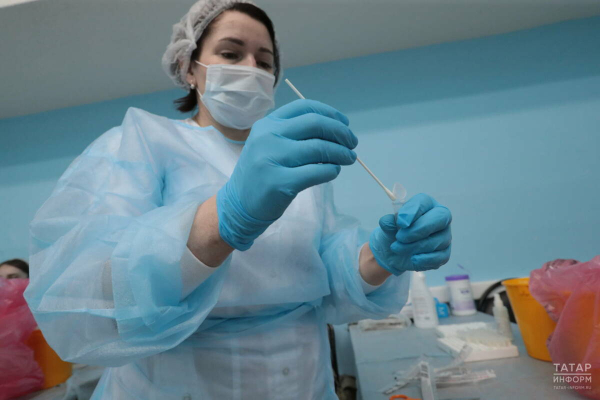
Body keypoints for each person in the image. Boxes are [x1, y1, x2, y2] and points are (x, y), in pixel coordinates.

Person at [24, 1, 452, 398]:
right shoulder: (141, 142)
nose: (251, 68)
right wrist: (226, 216)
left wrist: (382, 256)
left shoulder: (293, 160)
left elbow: (323, 276)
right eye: (231, 53)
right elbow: (85, 292)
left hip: (303, 382)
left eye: (264, 62)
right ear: (188, 68)